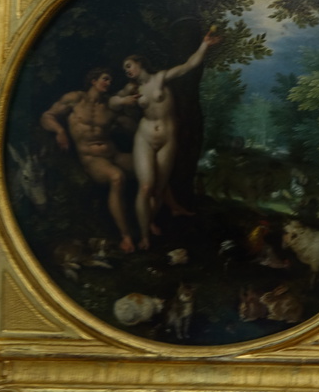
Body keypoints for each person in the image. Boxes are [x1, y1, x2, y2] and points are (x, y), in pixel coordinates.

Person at [114, 28, 220, 250]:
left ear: (140, 63)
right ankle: (144, 237)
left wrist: (204, 45)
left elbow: (189, 65)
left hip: (168, 138)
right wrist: (123, 101)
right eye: (125, 69)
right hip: (144, 137)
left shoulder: (160, 78)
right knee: (145, 187)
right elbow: (111, 102)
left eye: (129, 65)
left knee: (158, 189)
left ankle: (148, 222)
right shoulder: (132, 88)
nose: (127, 71)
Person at [41, 68, 137, 253]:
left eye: (110, 81)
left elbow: (131, 127)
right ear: (93, 81)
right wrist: (59, 131)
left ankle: (153, 221)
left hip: (114, 153)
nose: (108, 83)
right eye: (105, 79)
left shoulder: (110, 105)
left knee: (148, 167)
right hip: (92, 158)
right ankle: (126, 236)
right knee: (117, 177)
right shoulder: (75, 99)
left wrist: (130, 111)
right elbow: (47, 116)